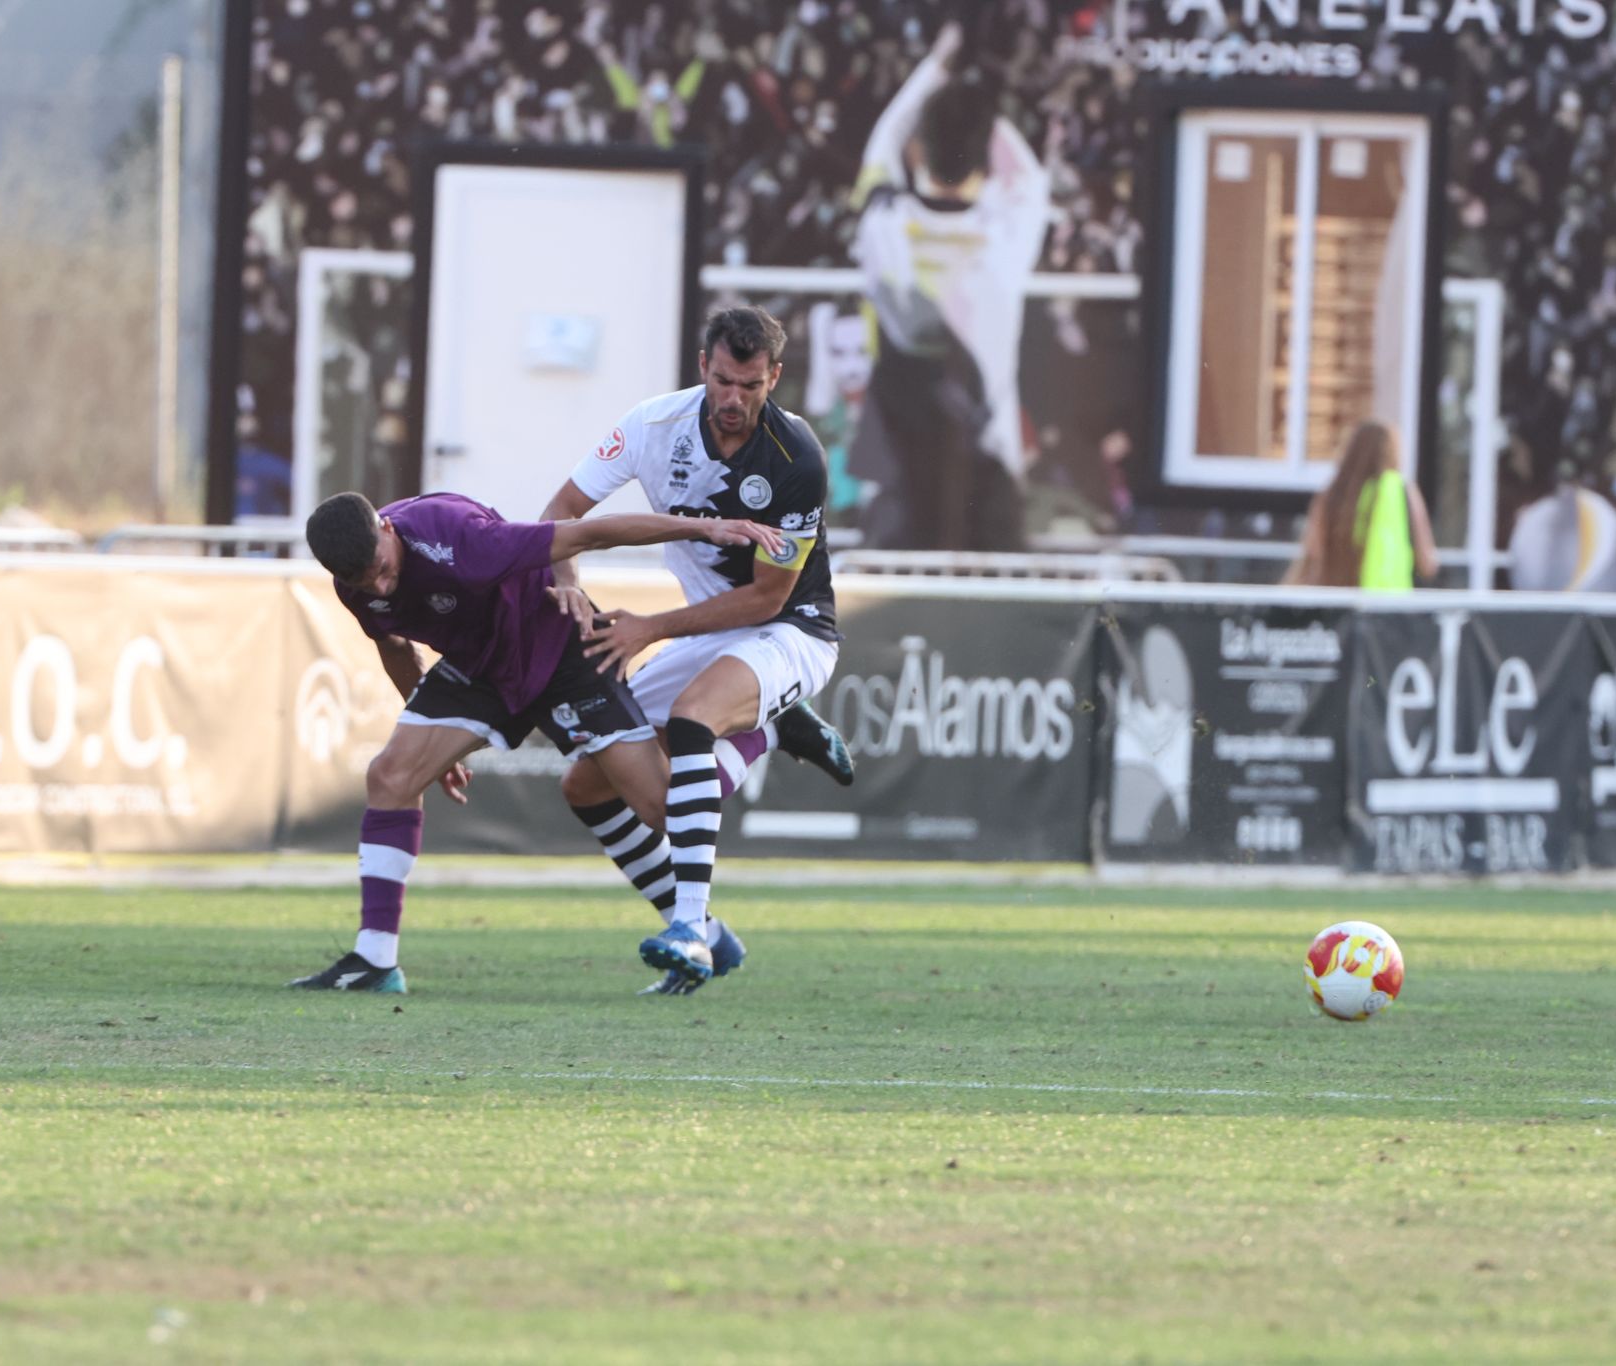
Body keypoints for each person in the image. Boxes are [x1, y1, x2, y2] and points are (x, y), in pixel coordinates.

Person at [289, 488, 785, 994]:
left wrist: (705, 527)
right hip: (480, 667)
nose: (380, 585)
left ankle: (764, 732)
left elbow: (589, 533)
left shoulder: (459, 539)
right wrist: (428, 738)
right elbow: (393, 644)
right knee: (392, 775)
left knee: (662, 808)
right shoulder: (354, 581)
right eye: (362, 580)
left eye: (382, 568)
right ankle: (374, 961)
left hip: (561, 646)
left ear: (387, 530)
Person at [539, 306, 846, 994]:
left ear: (774, 378)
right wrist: (568, 589)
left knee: (692, 720)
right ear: (702, 367)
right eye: (722, 382)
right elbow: (557, 518)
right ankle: (706, 935)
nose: (732, 400)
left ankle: (685, 929)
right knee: (586, 784)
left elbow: (768, 599)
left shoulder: (797, 459)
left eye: (750, 386)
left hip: (792, 630)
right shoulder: (651, 427)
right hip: (707, 631)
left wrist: (647, 628)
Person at [846, 20, 1052, 552]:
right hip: (990, 475)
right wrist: (978, 103)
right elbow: (1029, 178)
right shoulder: (1007, 234)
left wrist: (939, 66)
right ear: (987, 156)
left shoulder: (881, 225)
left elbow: (883, 141)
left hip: (895, 476)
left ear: (918, 152)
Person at [1285, 421, 1440, 590]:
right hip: (1392, 607)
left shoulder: (1333, 494)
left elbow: (1314, 552)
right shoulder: (1402, 490)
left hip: (1336, 605)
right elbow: (1427, 563)